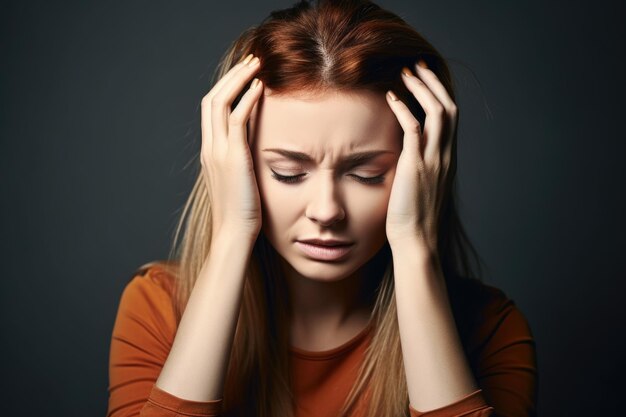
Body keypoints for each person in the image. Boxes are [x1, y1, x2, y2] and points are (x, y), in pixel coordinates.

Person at [106, 1, 537, 416]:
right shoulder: (159, 308)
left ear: (425, 170)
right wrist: (231, 235)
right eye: (288, 173)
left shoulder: (490, 329)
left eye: (367, 174)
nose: (327, 211)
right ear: (232, 165)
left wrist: (413, 248)